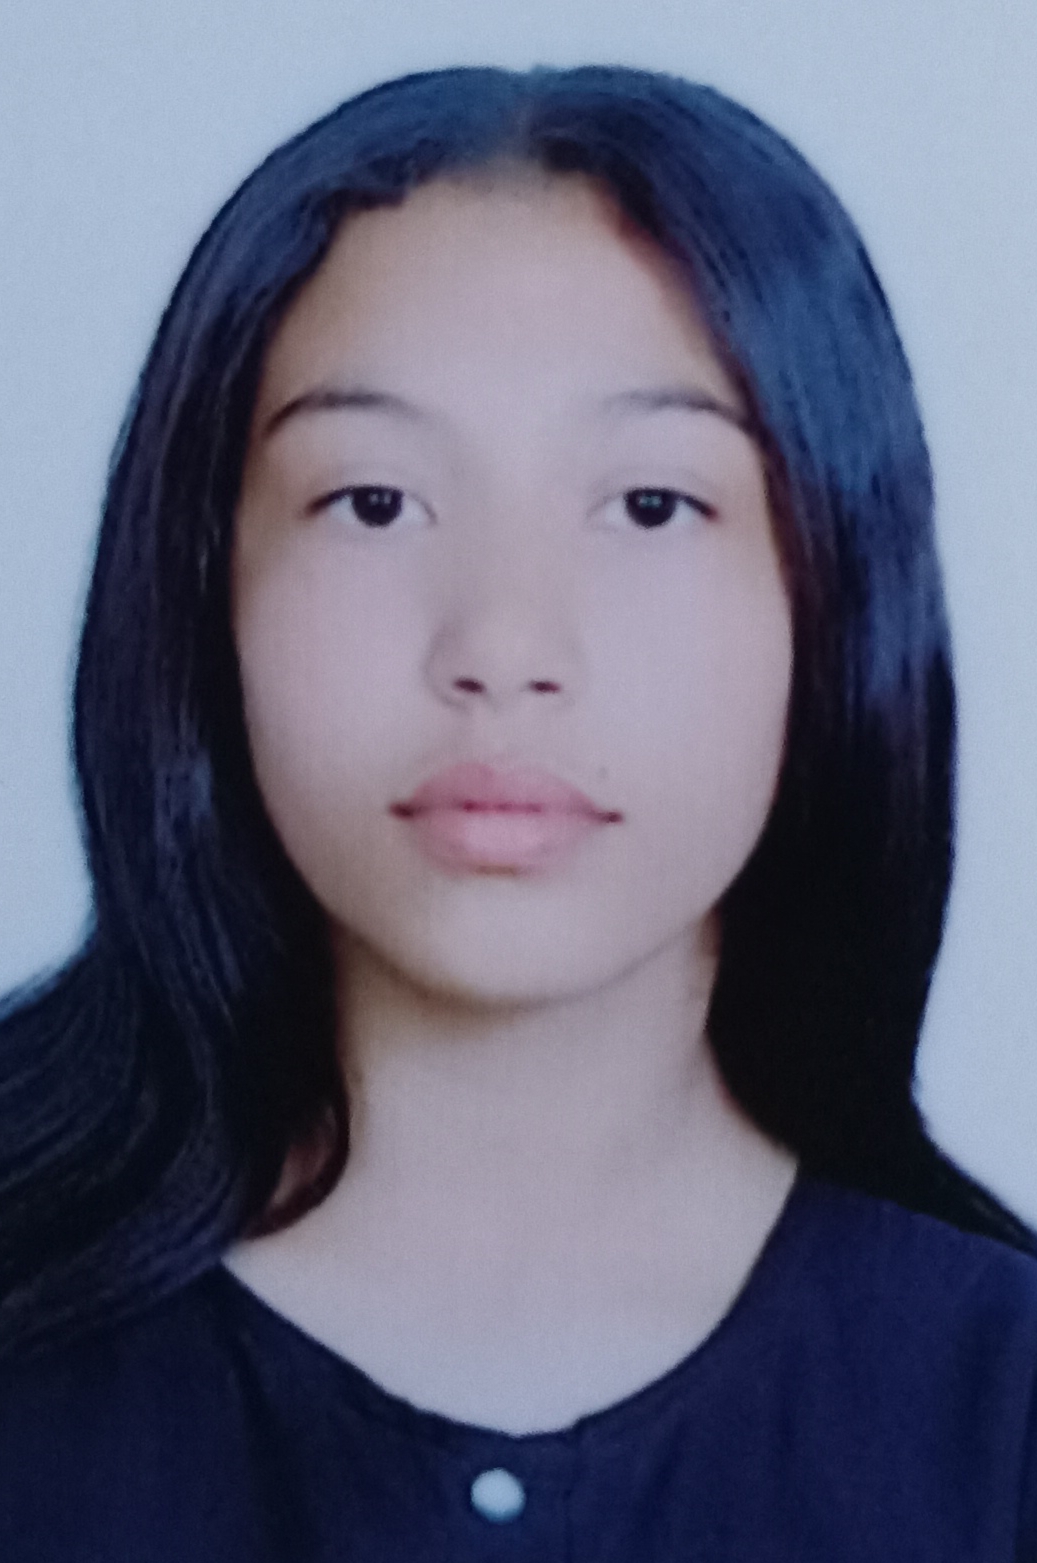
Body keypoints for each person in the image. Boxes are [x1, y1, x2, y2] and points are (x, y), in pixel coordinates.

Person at [0, 63, 1034, 1561]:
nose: (501, 644)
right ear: (202, 585)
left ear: (835, 600)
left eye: (651, 505)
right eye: (373, 502)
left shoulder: (995, 1415)